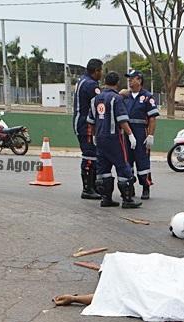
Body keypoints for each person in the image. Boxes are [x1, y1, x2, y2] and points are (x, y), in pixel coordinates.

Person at [86, 72, 141, 209]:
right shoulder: (116, 99)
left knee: (103, 168)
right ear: (117, 84)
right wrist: (130, 135)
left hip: (99, 138)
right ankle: (127, 199)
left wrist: (93, 136)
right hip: (114, 138)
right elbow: (122, 120)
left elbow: (91, 121)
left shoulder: (96, 99)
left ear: (105, 82)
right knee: (123, 167)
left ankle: (106, 198)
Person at [123, 70, 160, 200]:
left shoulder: (147, 97)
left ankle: (145, 187)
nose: (129, 81)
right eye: (128, 79)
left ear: (139, 80)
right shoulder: (125, 96)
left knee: (142, 161)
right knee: (127, 161)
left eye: (132, 78)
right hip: (127, 133)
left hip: (141, 132)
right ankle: (129, 187)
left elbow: (152, 118)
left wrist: (150, 135)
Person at [73, 58, 103, 200]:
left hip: (82, 122)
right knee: (90, 155)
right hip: (86, 125)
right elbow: (102, 101)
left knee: (93, 154)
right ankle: (87, 189)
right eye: (101, 70)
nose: (101, 73)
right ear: (96, 71)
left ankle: (93, 186)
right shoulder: (91, 85)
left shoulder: (82, 80)